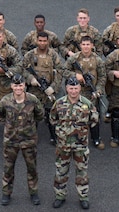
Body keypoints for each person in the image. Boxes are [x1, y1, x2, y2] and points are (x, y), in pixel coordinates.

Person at [0, 74, 45, 206]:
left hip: (29, 141)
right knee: (8, 169)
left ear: (24, 85)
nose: (18, 88)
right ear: (12, 86)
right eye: (16, 85)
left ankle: (34, 193)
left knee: (32, 168)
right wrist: (10, 126)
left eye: (21, 85)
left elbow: (40, 115)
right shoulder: (5, 101)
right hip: (11, 141)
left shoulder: (32, 100)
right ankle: (6, 194)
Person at [49, 77, 99, 209]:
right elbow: (53, 119)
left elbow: (94, 120)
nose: (73, 91)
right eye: (71, 88)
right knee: (61, 171)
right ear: (66, 89)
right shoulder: (58, 103)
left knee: (82, 172)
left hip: (80, 146)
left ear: (80, 88)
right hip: (63, 145)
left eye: (76, 88)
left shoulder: (87, 103)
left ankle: (83, 197)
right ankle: (60, 196)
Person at [22, 31, 65, 146]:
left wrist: (53, 87)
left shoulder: (53, 55)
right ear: (36, 41)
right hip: (34, 90)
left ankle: (54, 137)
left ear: (48, 41)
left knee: (51, 113)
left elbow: (60, 71)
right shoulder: (30, 55)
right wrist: (31, 79)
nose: (42, 43)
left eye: (44, 41)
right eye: (40, 40)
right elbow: (23, 69)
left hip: (48, 89)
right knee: (32, 114)